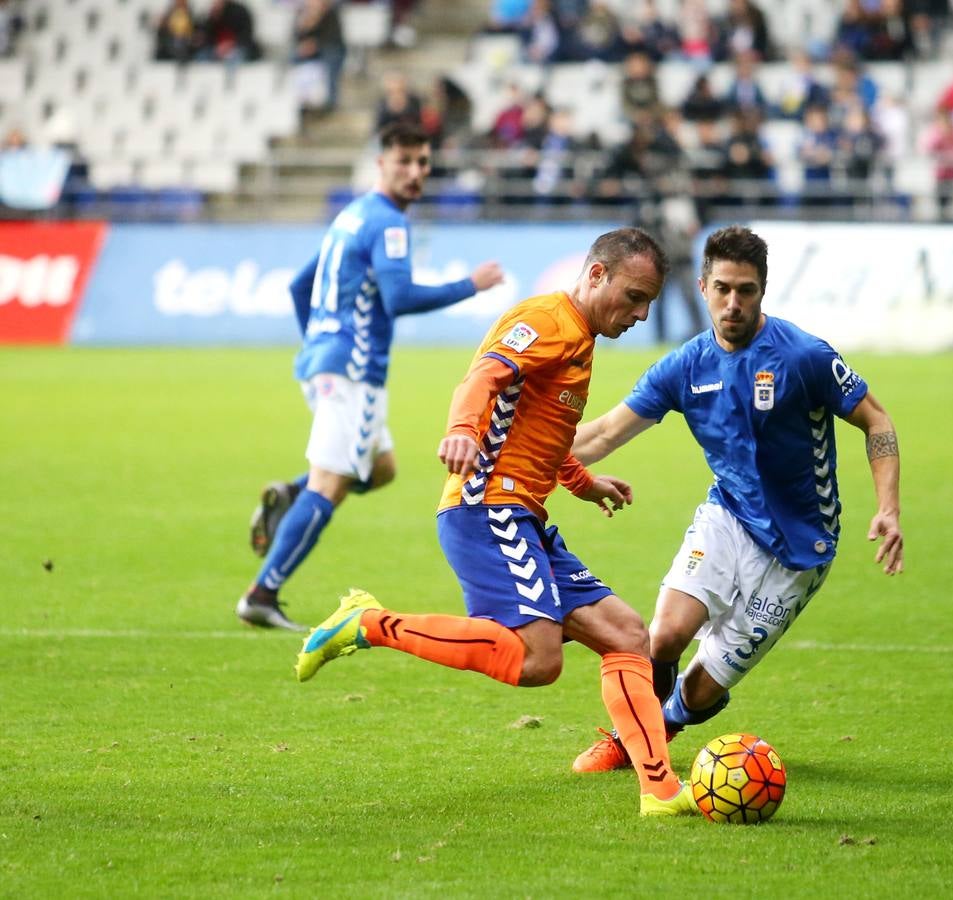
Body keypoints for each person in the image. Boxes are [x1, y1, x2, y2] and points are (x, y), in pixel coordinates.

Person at [294, 228, 698, 818]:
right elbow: (484, 377)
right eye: (634, 297)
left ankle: (660, 792)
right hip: (488, 508)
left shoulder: (579, 338)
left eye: (648, 304)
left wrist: (585, 483)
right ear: (595, 276)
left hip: (524, 514)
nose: (639, 314)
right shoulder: (548, 321)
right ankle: (369, 623)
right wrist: (461, 429)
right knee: (538, 661)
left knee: (628, 636)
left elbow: (540, 433)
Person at [569, 225, 903, 774]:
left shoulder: (804, 356)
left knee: (699, 693)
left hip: (800, 548)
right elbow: (604, 434)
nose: (732, 303)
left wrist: (887, 508)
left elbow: (876, 420)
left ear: (762, 291)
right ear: (702, 287)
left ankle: (672, 718)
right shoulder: (685, 366)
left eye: (745, 290)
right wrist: (523, 448)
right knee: (665, 635)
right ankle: (636, 743)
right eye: (722, 288)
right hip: (727, 516)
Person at [236, 122, 505, 631]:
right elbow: (398, 297)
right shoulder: (389, 223)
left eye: (423, 162)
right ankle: (261, 593)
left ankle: (291, 496)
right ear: (381, 163)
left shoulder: (353, 214)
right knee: (332, 482)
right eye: (403, 161)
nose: (414, 172)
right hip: (352, 371)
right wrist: (470, 285)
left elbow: (300, 285)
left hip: (328, 362)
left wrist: (319, 344)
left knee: (380, 469)